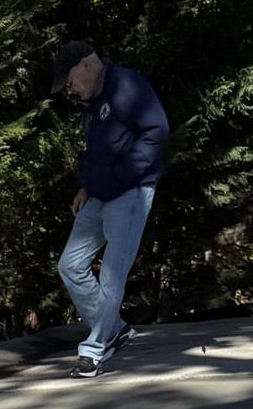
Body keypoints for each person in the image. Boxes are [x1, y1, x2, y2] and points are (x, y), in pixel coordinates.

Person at [51, 40, 169, 380]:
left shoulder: (127, 86)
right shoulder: (94, 103)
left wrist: (126, 176)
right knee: (70, 265)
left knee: (112, 275)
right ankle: (114, 330)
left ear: (85, 65)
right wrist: (87, 185)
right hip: (99, 196)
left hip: (130, 194)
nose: (69, 89)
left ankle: (94, 352)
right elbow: (99, 150)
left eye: (69, 80)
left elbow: (156, 131)